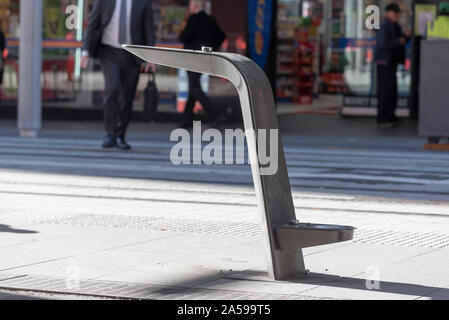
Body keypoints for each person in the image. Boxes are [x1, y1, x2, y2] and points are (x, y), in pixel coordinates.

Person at [81, 0, 156, 150]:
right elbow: (93, 24)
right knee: (112, 89)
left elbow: (149, 30)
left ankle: (120, 134)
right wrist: (85, 51)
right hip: (109, 52)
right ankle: (110, 133)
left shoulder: (143, 3)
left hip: (132, 54)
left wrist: (151, 57)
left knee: (127, 96)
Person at [179, 0, 227, 129]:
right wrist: (212, 47)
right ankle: (186, 120)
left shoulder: (193, 19)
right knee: (193, 87)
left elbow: (184, 37)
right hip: (205, 58)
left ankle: (215, 114)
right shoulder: (210, 19)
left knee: (195, 88)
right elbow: (222, 36)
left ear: (194, 6)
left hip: (193, 58)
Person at [375, 3, 410, 128]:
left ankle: (390, 115)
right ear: (388, 13)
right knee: (385, 91)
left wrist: (406, 36)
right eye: (396, 13)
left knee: (392, 91)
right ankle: (383, 118)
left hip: (391, 62)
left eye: (398, 13)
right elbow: (383, 44)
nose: (398, 16)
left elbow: (401, 40)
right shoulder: (384, 26)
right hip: (384, 62)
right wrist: (399, 41)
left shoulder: (395, 26)